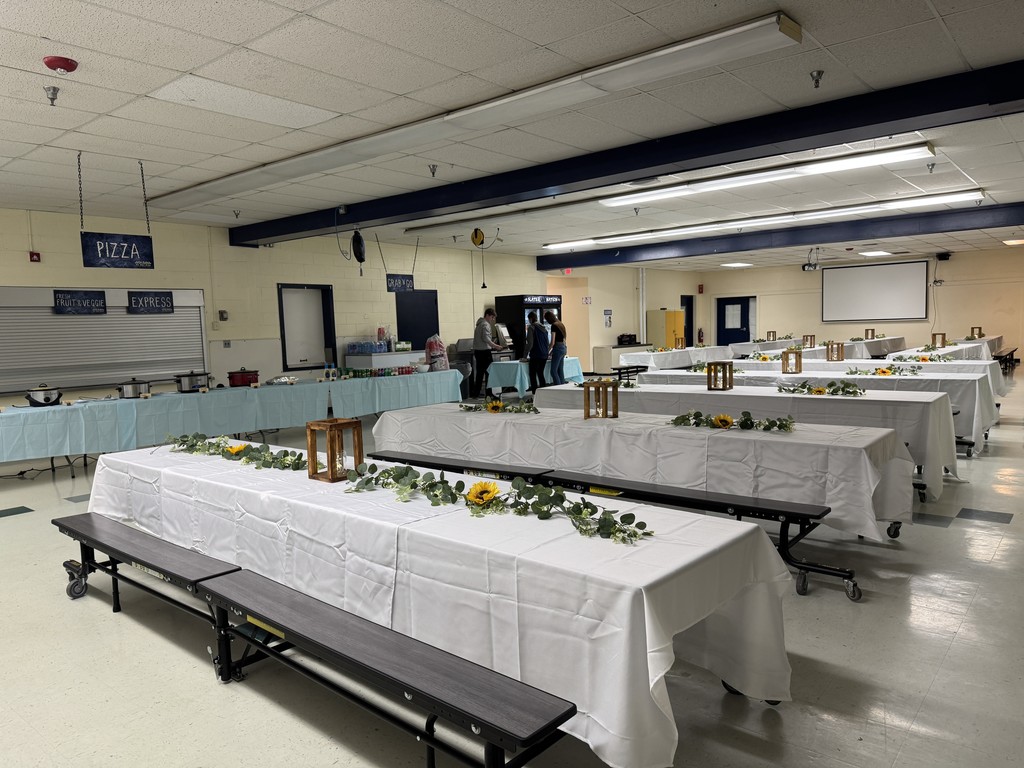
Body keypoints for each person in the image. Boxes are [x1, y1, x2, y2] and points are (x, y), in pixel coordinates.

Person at [471, 308, 504, 398]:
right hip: (485, 352)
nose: (492, 320)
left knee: (479, 373)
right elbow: (486, 338)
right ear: (487, 315)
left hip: (478, 352)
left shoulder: (479, 324)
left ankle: (476, 393)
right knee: (489, 372)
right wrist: (495, 346)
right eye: (492, 317)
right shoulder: (485, 325)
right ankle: (488, 394)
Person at [521, 311, 550, 394]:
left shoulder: (531, 328)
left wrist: (525, 356)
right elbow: (547, 342)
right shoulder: (544, 328)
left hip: (536, 355)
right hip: (544, 355)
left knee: (532, 375)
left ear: (530, 319)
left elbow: (530, 343)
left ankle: (535, 394)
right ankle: (544, 393)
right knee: (540, 373)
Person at [545, 310, 567, 385]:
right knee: (560, 370)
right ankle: (563, 388)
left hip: (558, 348)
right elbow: (563, 339)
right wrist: (552, 352)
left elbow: (553, 342)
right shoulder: (560, 324)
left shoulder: (554, 326)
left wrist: (547, 351)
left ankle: (557, 387)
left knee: (553, 371)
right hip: (563, 348)